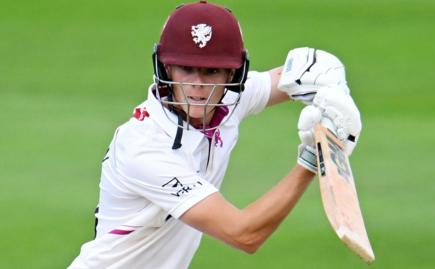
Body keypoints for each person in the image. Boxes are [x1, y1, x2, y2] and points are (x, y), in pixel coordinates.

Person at [68, 1, 362, 268]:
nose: (198, 85)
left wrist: (335, 94)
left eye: (212, 72)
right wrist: (312, 160)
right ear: (166, 67)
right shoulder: (144, 148)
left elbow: (307, 71)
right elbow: (244, 234)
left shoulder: (229, 101)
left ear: (232, 75)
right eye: (186, 69)